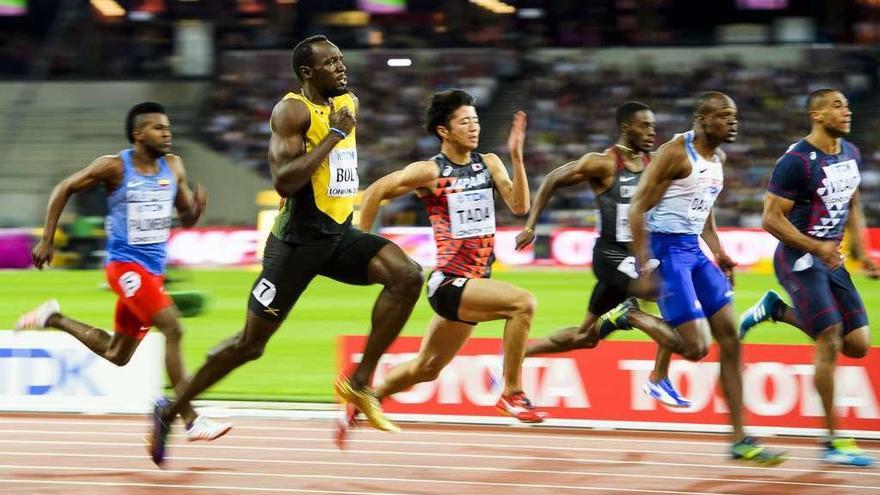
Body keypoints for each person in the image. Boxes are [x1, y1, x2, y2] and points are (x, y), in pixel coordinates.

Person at [146, 35, 424, 465]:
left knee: (406, 275)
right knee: (249, 345)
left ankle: (361, 380)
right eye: (331, 63)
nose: (342, 68)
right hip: (295, 245)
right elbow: (284, 181)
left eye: (342, 60)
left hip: (337, 234)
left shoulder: (348, 100)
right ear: (308, 73)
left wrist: (338, 131)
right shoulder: (291, 110)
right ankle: (170, 407)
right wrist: (333, 136)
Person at [15, 101, 232, 443]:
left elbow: (186, 217)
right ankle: (190, 418)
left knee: (118, 354)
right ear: (138, 133)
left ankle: (53, 317)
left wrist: (196, 210)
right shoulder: (114, 167)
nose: (167, 133)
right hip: (124, 267)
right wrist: (47, 240)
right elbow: (65, 188)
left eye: (168, 127)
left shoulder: (174, 166)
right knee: (173, 328)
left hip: (153, 271)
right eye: (158, 128)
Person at [341, 89, 540, 444]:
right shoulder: (430, 171)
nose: (474, 127)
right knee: (523, 303)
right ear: (443, 131)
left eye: (476, 120)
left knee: (427, 368)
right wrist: (363, 249)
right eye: (465, 121)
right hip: (449, 283)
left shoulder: (490, 163)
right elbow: (373, 192)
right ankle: (512, 392)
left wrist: (516, 156)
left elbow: (520, 205)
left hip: (476, 284)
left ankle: (367, 397)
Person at [627, 92, 786, 465]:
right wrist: (645, 265)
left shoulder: (719, 158)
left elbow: (705, 206)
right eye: (725, 116)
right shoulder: (675, 152)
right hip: (665, 251)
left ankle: (740, 438)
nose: (734, 122)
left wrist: (717, 249)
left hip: (693, 251)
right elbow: (637, 207)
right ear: (702, 119)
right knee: (696, 348)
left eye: (736, 116)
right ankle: (629, 314)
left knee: (731, 339)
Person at [514, 102, 690, 408]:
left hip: (636, 256)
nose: (651, 132)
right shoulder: (604, 163)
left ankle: (513, 356)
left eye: (653, 126)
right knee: (663, 291)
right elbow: (553, 178)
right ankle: (637, 334)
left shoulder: (653, 163)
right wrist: (530, 225)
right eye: (644, 126)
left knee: (586, 336)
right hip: (610, 255)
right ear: (626, 128)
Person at [738, 88, 878, 467]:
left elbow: (853, 204)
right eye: (837, 106)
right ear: (817, 115)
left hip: (831, 258)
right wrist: (817, 248)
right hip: (799, 257)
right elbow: (770, 218)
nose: (847, 111)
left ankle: (776, 310)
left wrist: (864, 255)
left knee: (858, 344)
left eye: (848, 105)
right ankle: (835, 440)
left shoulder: (851, 154)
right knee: (829, 338)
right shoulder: (796, 161)